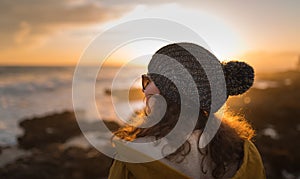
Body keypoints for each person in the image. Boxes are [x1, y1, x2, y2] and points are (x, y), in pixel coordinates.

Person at [108, 42, 265, 179]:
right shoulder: (245, 155)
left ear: (171, 92)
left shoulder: (134, 158)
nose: (145, 90)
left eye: (149, 80)